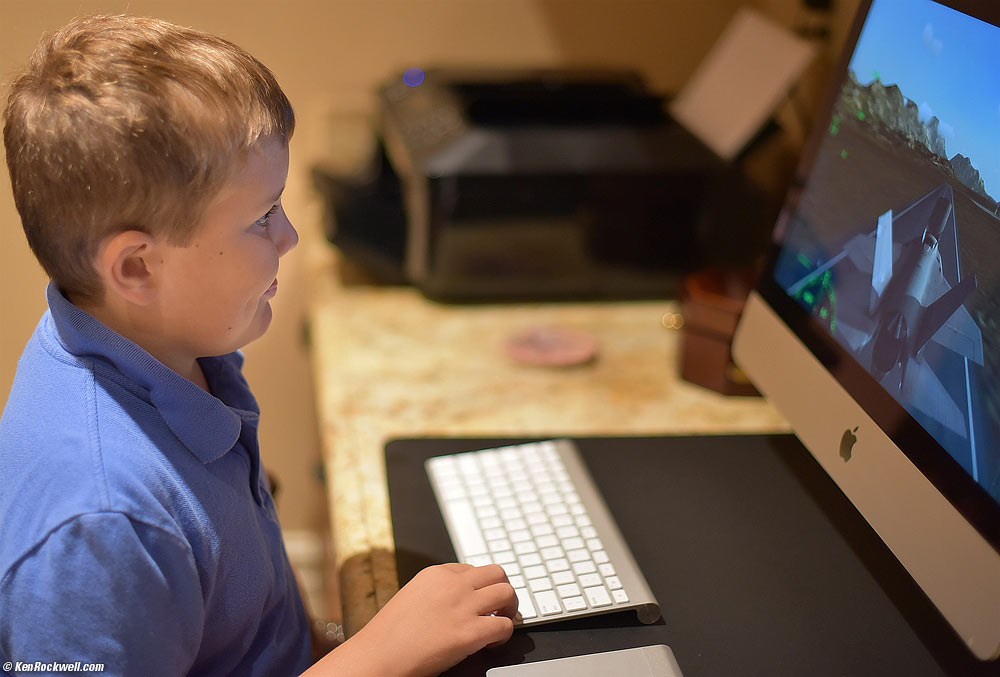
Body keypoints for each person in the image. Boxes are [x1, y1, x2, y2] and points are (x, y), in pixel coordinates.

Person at [0, 15, 517, 676]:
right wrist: (379, 655)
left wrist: (345, 639)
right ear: (135, 268)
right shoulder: (102, 529)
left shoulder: (174, 350)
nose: (290, 237)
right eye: (262, 216)